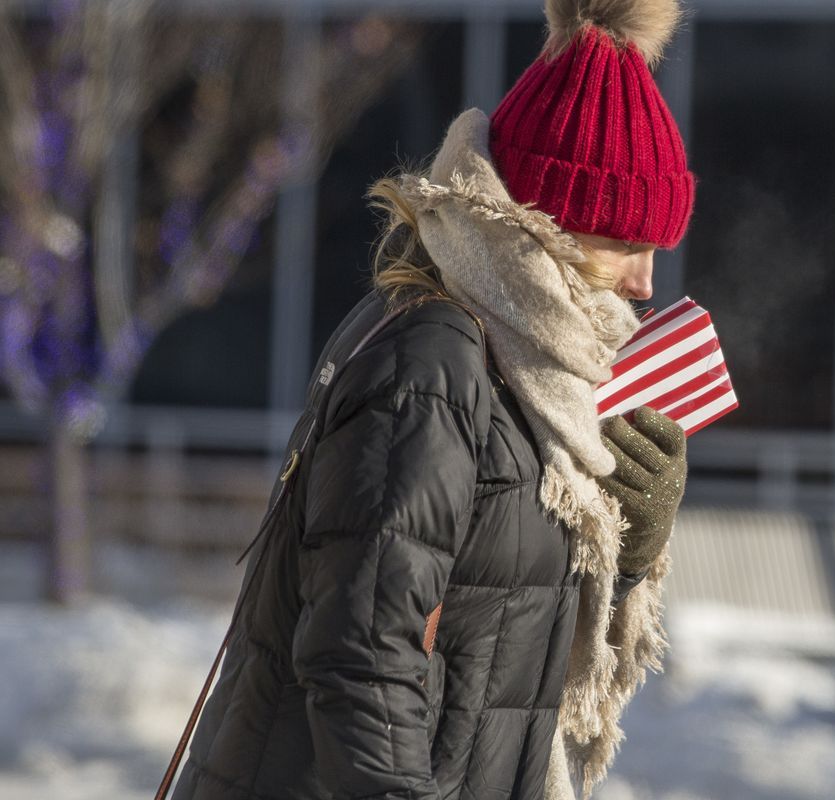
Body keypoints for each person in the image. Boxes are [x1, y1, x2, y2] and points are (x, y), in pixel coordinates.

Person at [168, 0, 696, 797]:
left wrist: (630, 544)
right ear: (551, 222)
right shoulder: (434, 364)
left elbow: (513, 635)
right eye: (625, 243)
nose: (645, 281)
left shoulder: (529, 377)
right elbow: (361, 655)